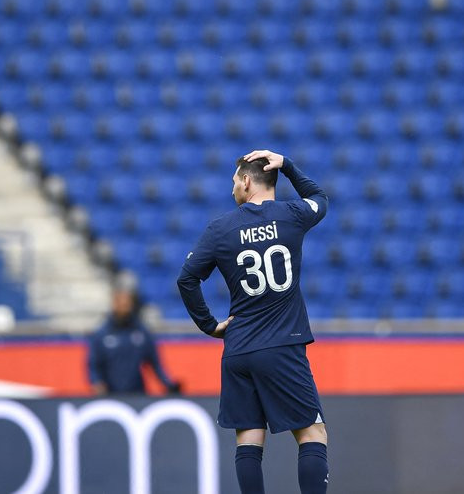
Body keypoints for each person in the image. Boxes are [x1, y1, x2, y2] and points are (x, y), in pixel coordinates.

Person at [176, 150, 330, 494]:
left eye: (234, 181)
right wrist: (287, 165)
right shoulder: (292, 215)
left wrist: (210, 325)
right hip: (281, 345)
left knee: (249, 438)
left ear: (247, 181)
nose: (232, 189)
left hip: (239, 349)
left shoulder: (221, 228)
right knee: (312, 433)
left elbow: (187, 279)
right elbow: (319, 198)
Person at [87, 283, 182, 395]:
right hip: (110, 395)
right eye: (122, 303)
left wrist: (168, 384)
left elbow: (155, 363)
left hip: (137, 393)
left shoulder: (141, 332)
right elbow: (93, 364)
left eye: (127, 303)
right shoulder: (102, 334)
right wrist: (97, 383)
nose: (125, 307)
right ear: (114, 303)